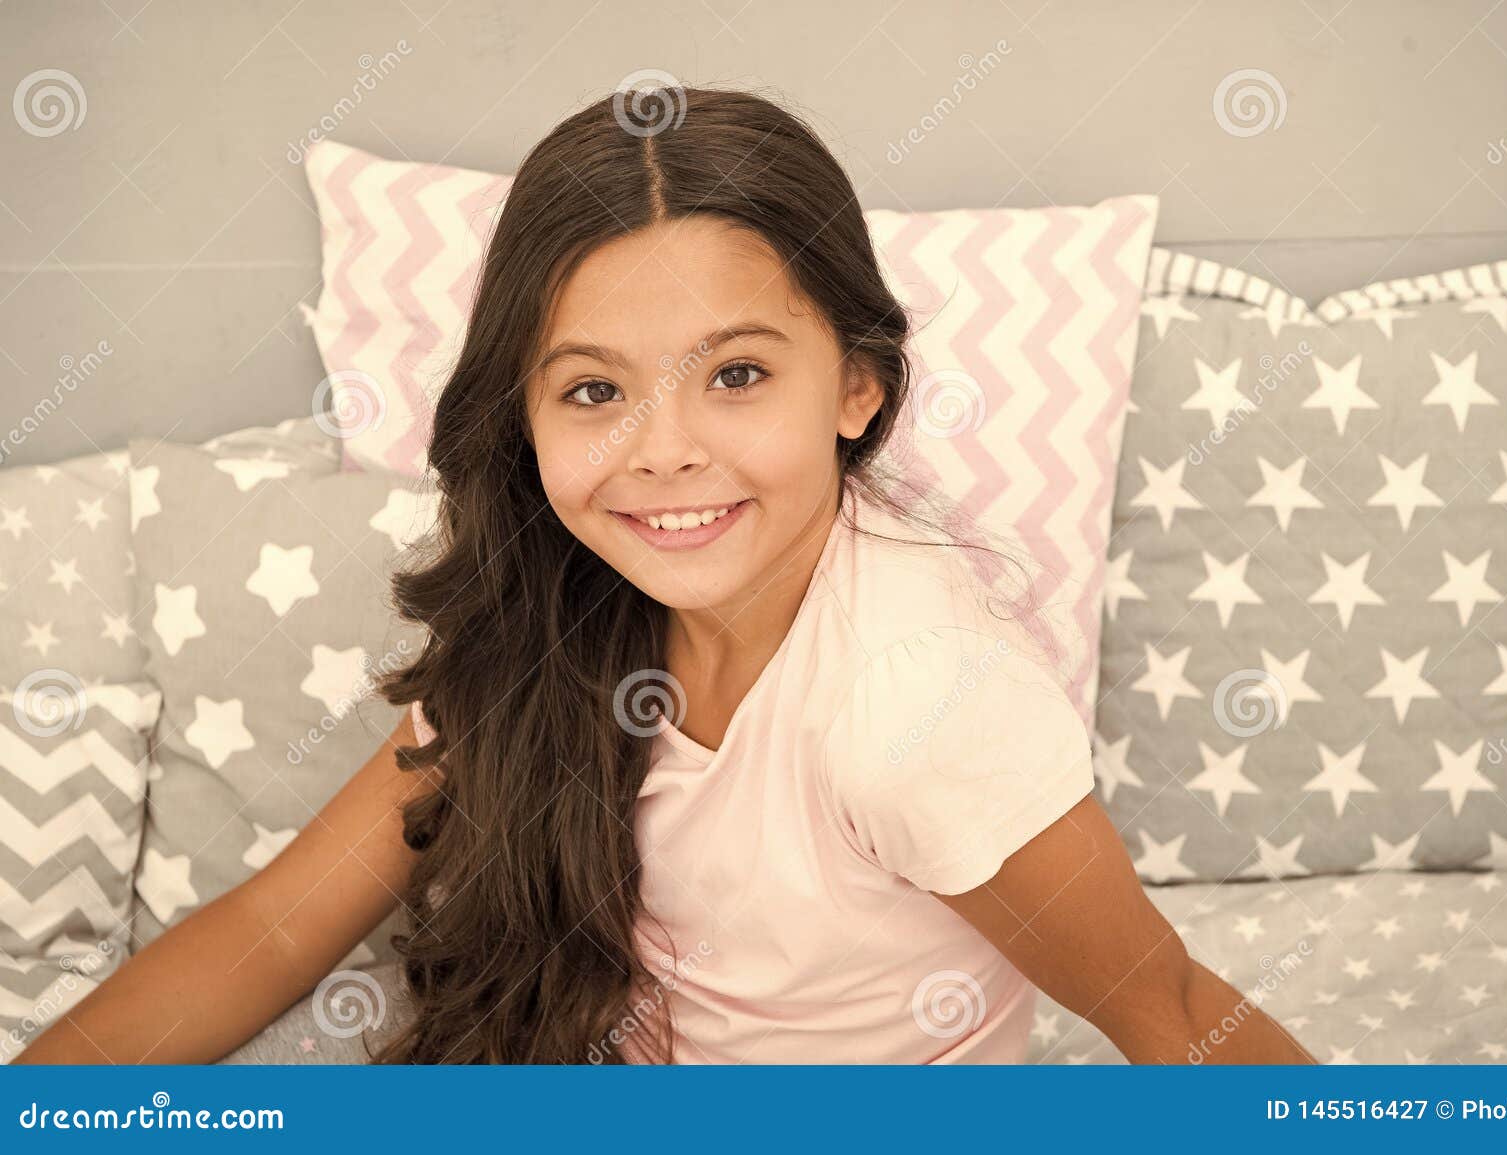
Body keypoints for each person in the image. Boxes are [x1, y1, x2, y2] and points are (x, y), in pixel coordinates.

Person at [16, 85, 1314, 1066]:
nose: (667, 452)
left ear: (857, 385)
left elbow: (1177, 1011)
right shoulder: (547, 617)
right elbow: (274, 927)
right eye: (595, 390)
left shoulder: (921, 703)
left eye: (738, 374)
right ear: (523, 418)